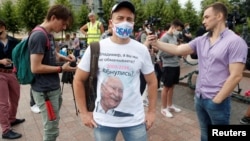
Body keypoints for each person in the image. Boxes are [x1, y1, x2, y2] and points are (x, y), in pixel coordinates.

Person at [148, 2, 248, 141]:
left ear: (219, 16)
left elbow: (236, 75)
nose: (203, 21)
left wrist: (217, 100)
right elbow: (178, 50)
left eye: (207, 17)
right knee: (205, 135)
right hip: (199, 98)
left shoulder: (235, 42)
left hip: (217, 102)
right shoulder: (202, 40)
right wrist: (156, 43)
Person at [73, 1, 158, 141]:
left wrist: (151, 112)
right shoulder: (96, 48)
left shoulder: (141, 50)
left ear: (133, 23)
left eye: (129, 19)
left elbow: (152, 81)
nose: (125, 22)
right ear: (111, 22)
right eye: (120, 18)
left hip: (134, 120)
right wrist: (84, 113)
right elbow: (78, 79)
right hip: (103, 121)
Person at [28, 5, 76, 141]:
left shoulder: (47, 34)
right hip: (45, 92)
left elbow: (52, 54)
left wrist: (65, 58)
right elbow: (35, 67)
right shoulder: (39, 36)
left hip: (51, 88)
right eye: (63, 23)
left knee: (53, 124)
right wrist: (62, 69)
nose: (64, 27)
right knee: (51, 129)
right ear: (53, 17)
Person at [0, 19, 25, 139]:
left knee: (15, 97)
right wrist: (0, 61)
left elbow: (22, 52)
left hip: (12, 73)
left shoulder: (13, 41)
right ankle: (5, 130)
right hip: (0, 74)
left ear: (3, 27)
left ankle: (12, 119)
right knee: (3, 103)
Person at [158, 19, 184, 118]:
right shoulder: (164, 38)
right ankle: (163, 108)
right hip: (168, 66)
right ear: (173, 27)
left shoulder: (174, 36)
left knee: (172, 86)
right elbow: (161, 54)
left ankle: (170, 105)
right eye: (178, 29)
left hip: (175, 65)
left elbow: (175, 49)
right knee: (166, 87)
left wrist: (179, 52)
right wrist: (174, 52)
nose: (179, 32)